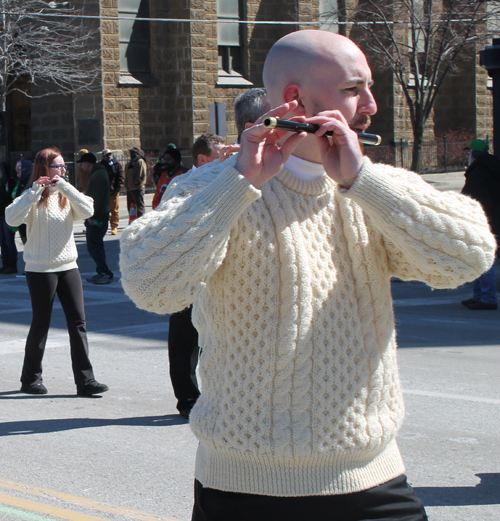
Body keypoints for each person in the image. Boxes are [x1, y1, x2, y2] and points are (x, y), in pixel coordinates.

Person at [120, 30, 495, 521]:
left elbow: (470, 256)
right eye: (353, 88)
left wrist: (364, 182)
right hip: (243, 492)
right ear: (295, 98)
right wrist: (238, 186)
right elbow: (151, 285)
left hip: (373, 484)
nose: (372, 105)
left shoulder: (374, 187)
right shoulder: (211, 187)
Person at [5, 148, 109, 396]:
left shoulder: (65, 195)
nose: (63, 170)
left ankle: (86, 381)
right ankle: (30, 379)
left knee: (79, 323)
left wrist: (65, 187)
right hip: (40, 270)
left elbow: (88, 210)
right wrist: (33, 193)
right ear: (44, 168)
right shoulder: (31, 196)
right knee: (41, 324)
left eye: (64, 166)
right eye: (58, 166)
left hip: (68, 266)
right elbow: (10, 218)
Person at [165, 135, 225, 420]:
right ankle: (188, 398)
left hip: (218, 271)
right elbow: (166, 223)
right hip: (187, 273)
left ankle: (218, 396)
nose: (227, 159)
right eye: (220, 155)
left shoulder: (228, 180)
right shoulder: (181, 186)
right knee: (184, 341)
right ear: (203, 160)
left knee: (217, 338)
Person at [460, 138, 500, 310]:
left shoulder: (478, 173)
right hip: (493, 219)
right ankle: (479, 295)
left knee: (482, 258)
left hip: (483, 221)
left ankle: (487, 298)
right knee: (480, 257)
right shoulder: (492, 167)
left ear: (473, 154)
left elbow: (475, 200)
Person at [78, 152, 113, 285]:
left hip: (97, 217)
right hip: (98, 216)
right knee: (96, 245)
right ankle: (102, 271)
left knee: (94, 246)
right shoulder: (98, 173)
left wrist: (91, 216)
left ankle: (104, 272)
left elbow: (96, 199)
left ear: (88, 164)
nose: (81, 167)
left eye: (82, 164)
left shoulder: (98, 175)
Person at [219, 89, 271, 162]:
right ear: (251, 128)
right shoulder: (216, 170)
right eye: (273, 122)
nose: (285, 126)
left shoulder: (284, 161)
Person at [100, 149, 124, 235]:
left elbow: (121, 177)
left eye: (110, 154)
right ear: (103, 156)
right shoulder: (100, 165)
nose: (109, 156)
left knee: (114, 210)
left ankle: (114, 226)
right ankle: (104, 227)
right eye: (107, 155)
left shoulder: (116, 165)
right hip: (103, 193)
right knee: (104, 211)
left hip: (113, 191)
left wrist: (117, 189)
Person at [0, 162, 18, 274]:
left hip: (8, 215)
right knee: (2, 241)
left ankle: (12, 265)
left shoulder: (10, 182)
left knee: (9, 240)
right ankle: (5, 264)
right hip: (1, 215)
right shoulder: (1, 183)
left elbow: (11, 198)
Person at [12, 159, 33, 245]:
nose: (17, 169)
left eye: (20, 167)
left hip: (30, 221)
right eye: (16, 167)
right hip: (22, 221)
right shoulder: (20, 182)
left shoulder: (32, 182)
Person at [125, 146, 147, 219]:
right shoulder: (129, 164)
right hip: (130, 189)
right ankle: (133, 220)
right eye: (130, 153)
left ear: (137, 153)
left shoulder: (140, 161)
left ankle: (141, 220)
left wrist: (135, 183)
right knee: (131, 207)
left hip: (138, 188)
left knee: (139, 206)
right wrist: (127, 186)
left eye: (133, 153)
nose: (131, 154)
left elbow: (142, 175)